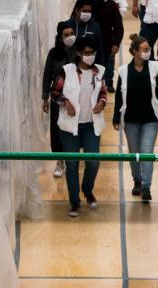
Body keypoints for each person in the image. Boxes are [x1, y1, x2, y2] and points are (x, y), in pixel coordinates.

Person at [51, 36, 108, 217]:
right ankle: (74, 202)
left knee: (93, 162)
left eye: (93, 53)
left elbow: (103, 93)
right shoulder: (67, 71)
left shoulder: (98, 72)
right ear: (79, 53)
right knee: (72, 164)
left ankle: (87, 189)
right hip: (70, 128)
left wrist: (102, 103)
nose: (90, 56)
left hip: (91, 125)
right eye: (87, 53)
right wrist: (66, 102)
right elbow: (55, 93)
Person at [112, 34, 158, 203]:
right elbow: (118, 96)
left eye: (149, 50)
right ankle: (137, 180)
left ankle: (146, 186)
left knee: (146, 153)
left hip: (150, 119)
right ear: (135, 52)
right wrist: (116, 117)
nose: (148, 52)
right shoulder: (123, 71)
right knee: (134, 153)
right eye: (145, 50)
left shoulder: (154, 67)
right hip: (130, 120)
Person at [43, 22, 77, 178]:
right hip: (58, 99)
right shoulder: (53, 53)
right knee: (56, 130)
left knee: (73, 129)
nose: (70, 37)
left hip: (75, 98)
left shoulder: (78, 52)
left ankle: (73, 159)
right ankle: (59, 160)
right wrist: (45, 97)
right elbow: (47, 75)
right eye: (66, 34)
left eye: (72, 33)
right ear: (60, 37)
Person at [92, 0, 124, 92]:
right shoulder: (87, 3)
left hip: (108, 40)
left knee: (109, 62)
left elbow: (118, 26)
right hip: (91, 40)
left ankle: (108, 82)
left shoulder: (111, 4)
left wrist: (116, 43)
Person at [66, 0, 105, 70]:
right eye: (84, 11)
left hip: (89, 67)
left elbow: (100, 50)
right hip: (69, 67)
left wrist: (100, 69)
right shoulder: (67, 25)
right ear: (77, 10)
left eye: (89, 11)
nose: (87, 13)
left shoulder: (95, 26)